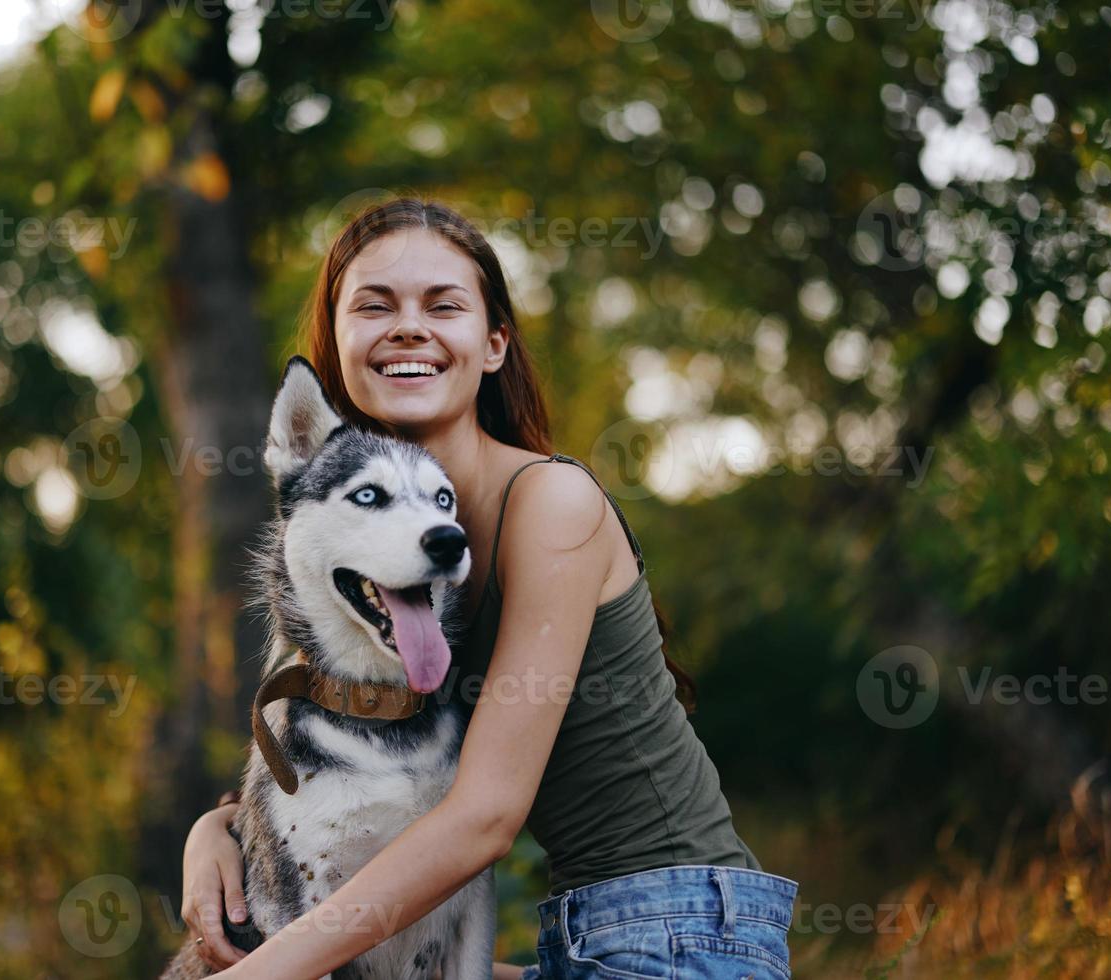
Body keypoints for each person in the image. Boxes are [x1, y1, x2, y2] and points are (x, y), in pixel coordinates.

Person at [177, 197, 798, 978]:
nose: (408, 326)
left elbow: (484, 818)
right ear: (336, 345)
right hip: (572, 948)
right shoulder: (356, 552)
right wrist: (216, 832)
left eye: (444, 305)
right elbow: (331, 774)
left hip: (678, 936)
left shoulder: (550, 505)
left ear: (494, 344)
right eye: (375, 305)